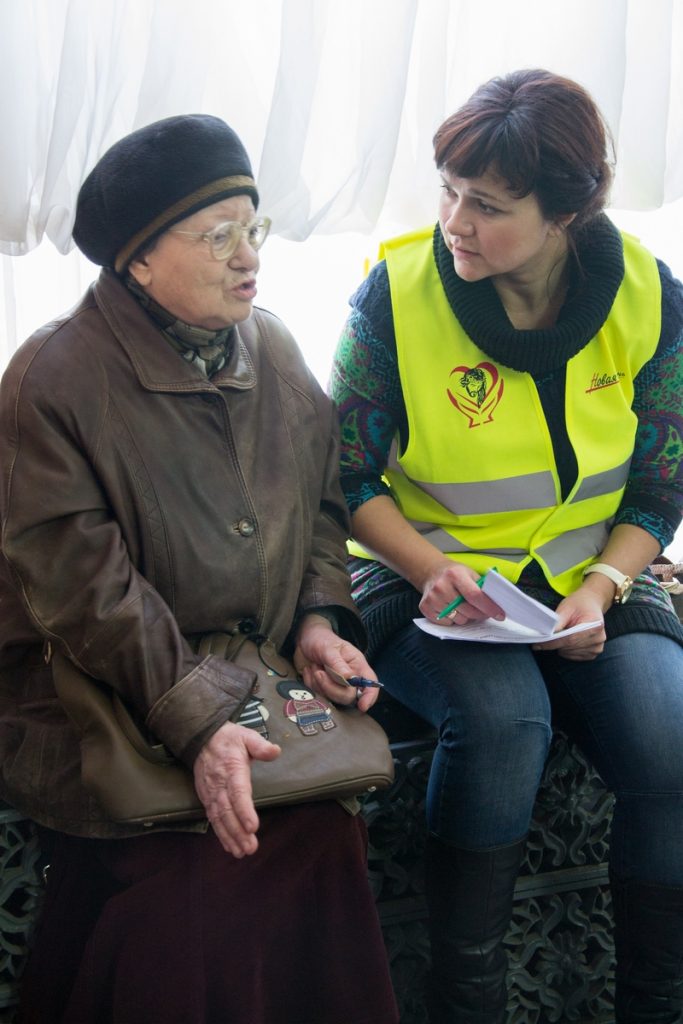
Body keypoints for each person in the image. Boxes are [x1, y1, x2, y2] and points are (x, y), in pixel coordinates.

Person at [0, 114, 399, 1024]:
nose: (246, 257)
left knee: (321, 830)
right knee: (208, 860)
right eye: (217, 236)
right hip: (84, 692)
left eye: (252, 229)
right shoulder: (53, 380)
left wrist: (317, 621)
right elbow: (84, 597)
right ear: (137, 260)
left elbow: (324, 512)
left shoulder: (275, 351)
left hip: (247, 670)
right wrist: (197, 721)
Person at [330, 69, 683, 1023]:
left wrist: (605, 587)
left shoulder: (648, 295)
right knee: (501, 726)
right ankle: (468, 1005)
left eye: (486, 205)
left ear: (567, 208)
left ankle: (654, 1004)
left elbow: (659, 482)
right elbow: (345, 481)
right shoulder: (394, 295)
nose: (454, 220)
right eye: (447, 189)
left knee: (668, 737)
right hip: (421, 580)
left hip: (591, 581)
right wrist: (429, 569)